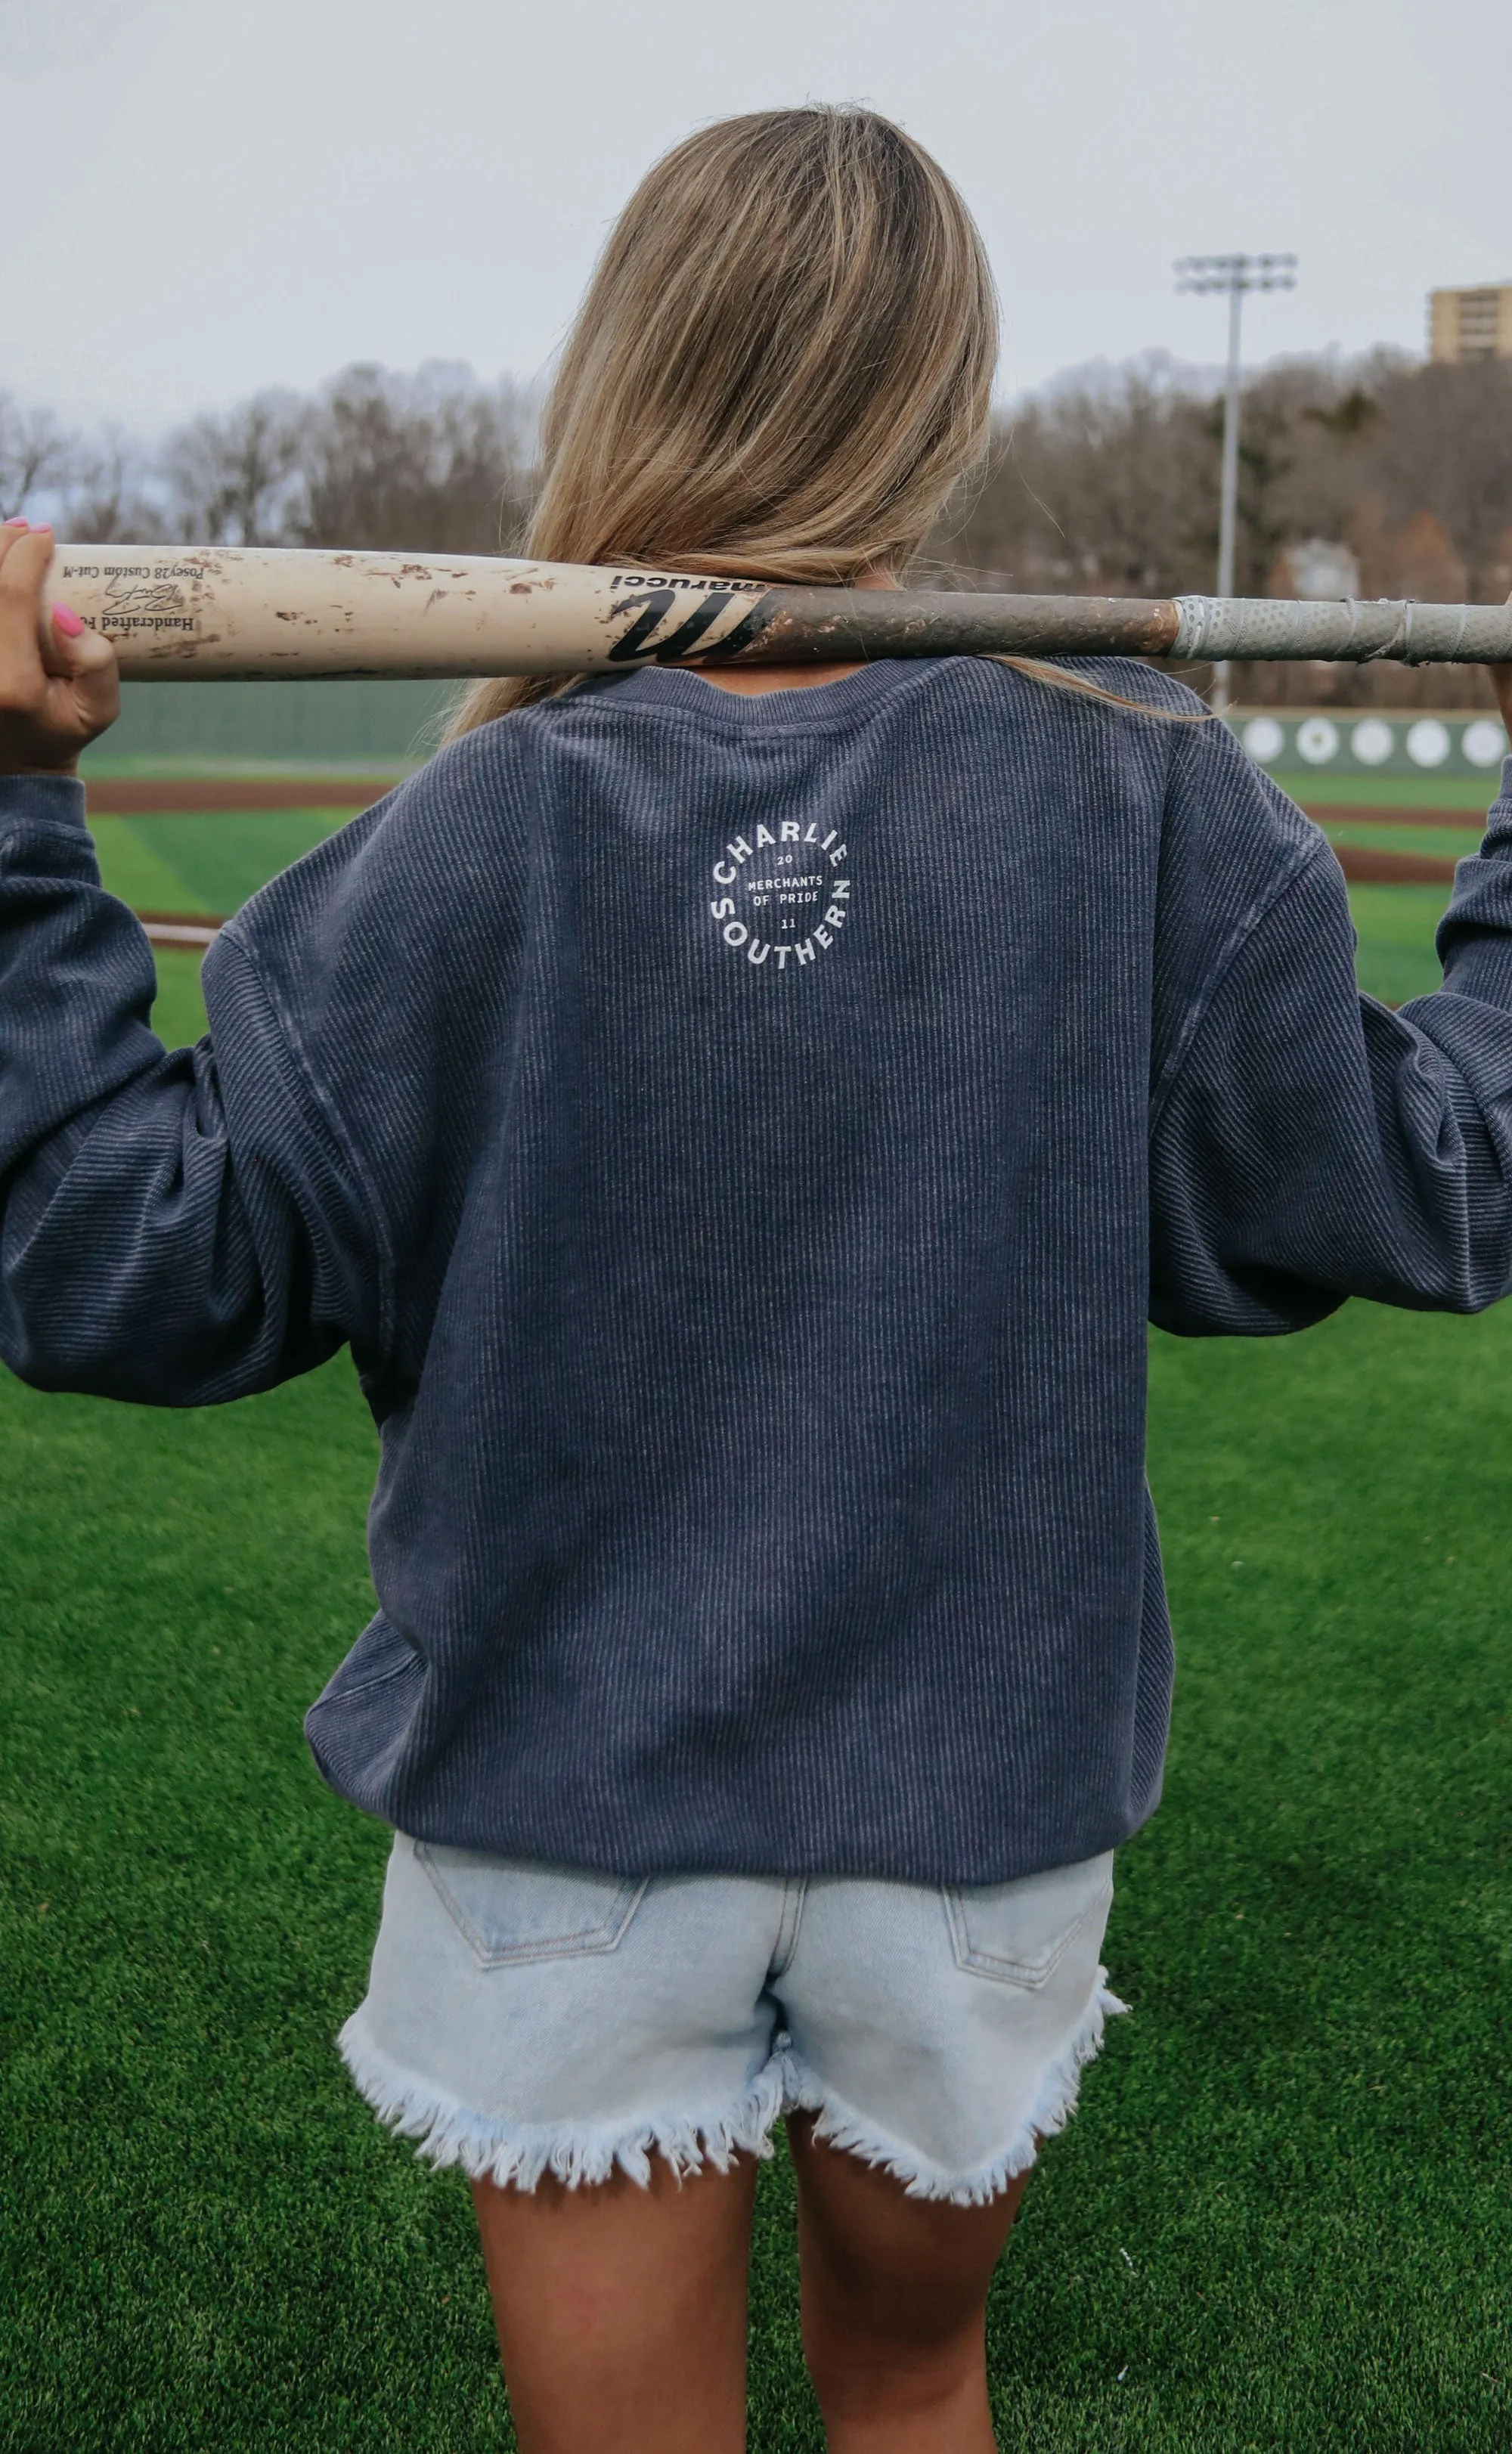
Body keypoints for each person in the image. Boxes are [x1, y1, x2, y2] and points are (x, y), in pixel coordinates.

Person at [2, 105, 1511, 2454]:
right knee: (916, 2394)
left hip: (570, 1840)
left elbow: (114, 1248)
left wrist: (15, 821)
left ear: (629, 368)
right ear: (943, 399)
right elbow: (1439, 1170)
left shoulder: (473, 830)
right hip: (978, 1836)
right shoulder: (1136, 788)